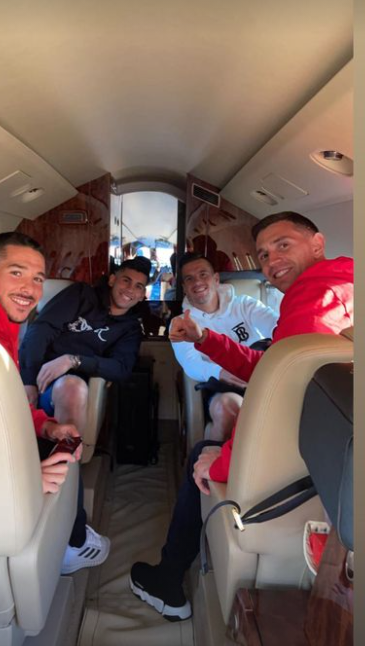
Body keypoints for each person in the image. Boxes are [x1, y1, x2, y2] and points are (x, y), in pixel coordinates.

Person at [130, 211, 353, 621]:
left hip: (306, 468)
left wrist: (227, 458)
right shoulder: (341, 288)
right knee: (224, 409)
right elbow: (274, 368)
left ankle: (167, 580)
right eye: (264, 254)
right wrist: (207, 341)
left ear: (318, 244)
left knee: (203, 453)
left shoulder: (312, 300)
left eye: (283, 245)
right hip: (319, 456)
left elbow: (281, 391)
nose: (271, 261)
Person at [0, 231, 110, 573]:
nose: (30, 289)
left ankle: (73, 531)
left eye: (37, 278)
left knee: (62, 443)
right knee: (63, 463)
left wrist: (44, 424)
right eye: (16, 272)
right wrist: (20, 478)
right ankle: (71, 546)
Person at [19, 256, 151, 435]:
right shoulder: (81, 295)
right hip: (38, 376)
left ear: (142, 295)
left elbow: (121, 368)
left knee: (72, 387)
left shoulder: (130, 327)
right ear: (112, 280)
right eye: (126, 280)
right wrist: (28, 381)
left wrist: (73, 361)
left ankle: (67, 459)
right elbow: (41, 330)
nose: (130, 289)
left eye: (138, 286)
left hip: (73, 386)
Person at [171, 252, 278, 441]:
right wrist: (221, 372)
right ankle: (216, 466)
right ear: (184, 288)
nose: (197, 282)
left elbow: (277, 327)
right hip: (221, 386)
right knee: (227, 407)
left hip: (260, 376)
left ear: (216, 279)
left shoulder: (245, 305)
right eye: (190, 279)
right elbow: (191, 364)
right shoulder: (181, 322)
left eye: (203, 274)